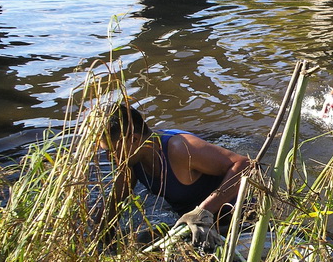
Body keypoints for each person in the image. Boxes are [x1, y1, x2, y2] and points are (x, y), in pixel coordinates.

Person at [100, 103, 251, 247]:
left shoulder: (180, 148)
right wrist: (99, 242)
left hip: (239, 218)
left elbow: (245, 165)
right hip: (194, 225)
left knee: (145, 242)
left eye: (111, 151)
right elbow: (113, 205)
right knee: (143, 240)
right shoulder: (131, 161)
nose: (108, 158)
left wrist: (204, 211)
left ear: (133, 139)